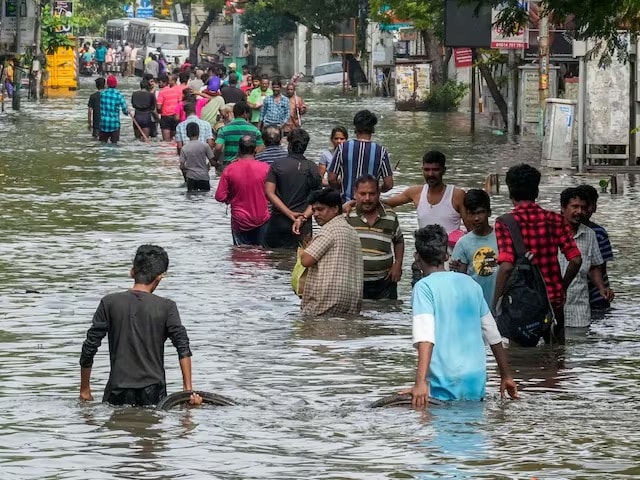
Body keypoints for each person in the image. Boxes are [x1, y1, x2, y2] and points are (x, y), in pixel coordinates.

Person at [402, 225, 518, 406]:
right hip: (475, 381)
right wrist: (506, 375)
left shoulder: (423, 288)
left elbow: (425, 337)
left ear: (417, 257)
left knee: (440, 428)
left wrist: (420, 382)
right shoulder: (471, 284)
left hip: (444, 382)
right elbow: (493, 335)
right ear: (447, 255)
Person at [79, 245, 201, 407]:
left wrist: (85, 390)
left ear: (132, 272)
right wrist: (187, 392)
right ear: (159, 277)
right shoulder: (167, 307)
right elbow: (182, 346)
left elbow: (90, 346)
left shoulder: (109, 302)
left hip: (117, 389)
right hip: (153, 391)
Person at [493, 164, 582, 345]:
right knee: (557, 356)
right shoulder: (555, 219)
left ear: (510, 192)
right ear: (537, 191)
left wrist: (495, 301)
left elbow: (507, 266)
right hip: (553, 301)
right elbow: (576, 259)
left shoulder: (505, 222)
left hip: (520, 302)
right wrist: (561, 287)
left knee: (519, 360)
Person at [299, 188, 364, 316]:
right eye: (314, 210)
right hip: (350, 301)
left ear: (335, 209)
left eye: (320, 209)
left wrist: (307, 245)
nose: (316, 214)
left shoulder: (328, 231)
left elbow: (306, 260)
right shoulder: (351, 230)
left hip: (326, 302)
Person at [559, 187, 614, 329]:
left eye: (583, 208)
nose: (580, 212)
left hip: (579, 310)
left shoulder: (590, 234)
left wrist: (602, 288)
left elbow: (594, 266)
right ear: (563, 208)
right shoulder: (548, 232)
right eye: (575, 207)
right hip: (552, 305)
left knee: (580, 347)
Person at [347, 175, 404, 300]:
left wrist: (398, 264)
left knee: (386, 316)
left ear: (378, 194)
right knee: (355, 318)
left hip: (385, 282)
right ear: (355, 193)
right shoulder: (347, 215)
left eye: (371, 194)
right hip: (353, 283)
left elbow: (399, 240)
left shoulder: (390, 215)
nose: (367, 198)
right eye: (362, 194)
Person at [265, 128, 323, 249]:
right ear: (305, 146)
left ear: (289, 144)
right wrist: (302, 218)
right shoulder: (312, 167)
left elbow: (269, 193)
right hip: (303, 226)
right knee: (300, 262)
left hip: (279, 222)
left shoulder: (277, 165)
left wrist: (289, 213)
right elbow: (317, 198)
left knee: (275, 261)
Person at [215, 136, 271, 246]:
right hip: (262, 219)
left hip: (240, 220)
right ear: (255, 150)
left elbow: (219, 196)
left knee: (241, 255)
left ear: (239, 150)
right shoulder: (266, 168)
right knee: (261, 256)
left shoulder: (230, 169)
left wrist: (231, 197)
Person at [328, 110, 393, 202]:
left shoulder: (342, 148)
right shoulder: (381, 151)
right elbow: (389, 184)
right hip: (370, 205)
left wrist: (342, 188)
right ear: (373, 129)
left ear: (355, 128)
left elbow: (331, 178)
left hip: (346, 204)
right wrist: (375, 191)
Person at [450, 189, 498, 307]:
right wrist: (456, 270)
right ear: (466, 214)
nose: (476, 218)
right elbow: (460, 281)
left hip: (500, 304)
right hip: (475, 305)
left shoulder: (502, 238)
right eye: (471, 213)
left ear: (489, 212)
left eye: (480, 212)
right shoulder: (463, 243)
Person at [577, 184, 615, 311]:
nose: (584, 211)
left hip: (596, 294)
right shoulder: (561, 231)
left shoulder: (598, 233)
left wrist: (601, 287)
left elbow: (601, 266)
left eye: (588, 206)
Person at [214, 101, 264, 168]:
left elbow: (218, 147)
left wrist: (215, 160)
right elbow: (260, 148)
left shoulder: (224, 129)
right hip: (248, 166)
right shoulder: (255, 130)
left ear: (234, 113)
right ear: (245, 113)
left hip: (229, 165)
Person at [180, 123, 215, 192]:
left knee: (191, 198)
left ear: (187, 134)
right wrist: (208, 166)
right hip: (204, 177)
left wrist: (186, 173)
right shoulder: (205, 146)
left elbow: (182, 166)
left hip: (191, 178)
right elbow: (213, 162)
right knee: (205, 198)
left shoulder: (184, 148)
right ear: (199, 133)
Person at [99, 75, 130, 144]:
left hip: (103, 123)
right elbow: (125, 110)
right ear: (116, 84)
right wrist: (128, 111)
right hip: (114, 124)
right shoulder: (119, 95)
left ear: (107, 84)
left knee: (102, 144)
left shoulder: (102, 94)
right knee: (114, 145)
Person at [156, 74, 182, 141]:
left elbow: (158, 107)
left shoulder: (161, 92)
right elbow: (180, 104)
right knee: (174, 140)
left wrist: (159, 112)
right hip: (175, 117)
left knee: (166, 141)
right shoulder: (177, 91)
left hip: (165, 117)